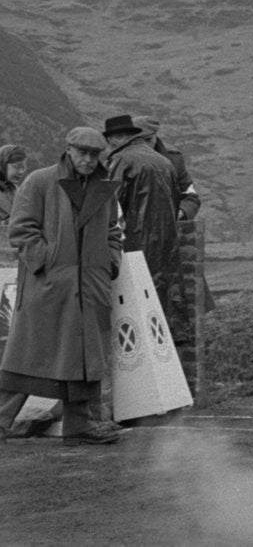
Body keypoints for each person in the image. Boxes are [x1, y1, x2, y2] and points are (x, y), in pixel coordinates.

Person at [0, 127, 123, 445]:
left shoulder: (104, 189)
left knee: (82, 360)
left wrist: (110, 262)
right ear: (68, 150)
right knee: (29, 356)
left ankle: (79, 427)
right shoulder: (40, 181)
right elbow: (21, 228)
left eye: (94, 154)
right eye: (82, 152)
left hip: (90, 286)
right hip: (49, 285)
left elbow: (112, 229)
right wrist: (46, 263)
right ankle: (1, 420)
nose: (88, 159)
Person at [102, 115, 187, 342]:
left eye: (110, 141)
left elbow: (107, 204)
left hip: (133, 243)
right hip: (166, 245)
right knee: (162, 302)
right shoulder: (164, 162)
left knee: (134, 307)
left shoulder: (121, 160)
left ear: (118, 138)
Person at [133, 116, 201, 220]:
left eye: (148, 140)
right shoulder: (118, 159)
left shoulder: (174, 159)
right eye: (138, 141)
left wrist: (180, 213)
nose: (144, 146)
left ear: (156, 136)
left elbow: (190, 196)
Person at [0, 144, 28, 225]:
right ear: (3, 165)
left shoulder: (16, 190)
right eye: (17, 167)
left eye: (23, 167)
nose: (21, 172)